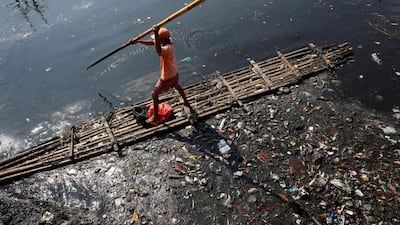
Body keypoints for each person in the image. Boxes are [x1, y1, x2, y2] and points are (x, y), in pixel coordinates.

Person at [133, 26, 191, 124]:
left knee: (154, 94)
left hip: (167, 76)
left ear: (163, 39)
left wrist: (155, 33)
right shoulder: (168, 43)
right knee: (177, 86)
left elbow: (159, 51)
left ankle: (155, 116)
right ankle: (186, 101)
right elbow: (153, 43)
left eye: (159, 39)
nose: (157, 41)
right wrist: (139, 42)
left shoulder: (167, 48)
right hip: (174, 72)